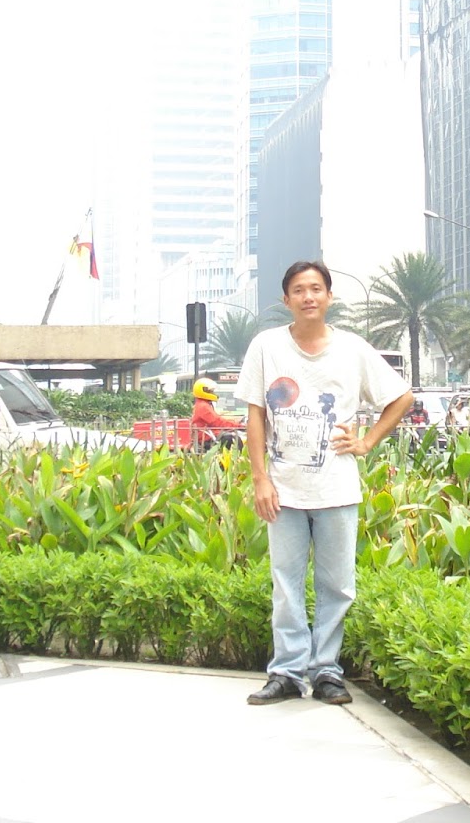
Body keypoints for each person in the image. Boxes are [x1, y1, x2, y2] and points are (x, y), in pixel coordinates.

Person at [236, 259, 413, 706]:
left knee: (337, 586)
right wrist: (260, 479)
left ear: (329, 297)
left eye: (316, 288)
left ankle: (327, 672)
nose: (308, 297)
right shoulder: (266, 346)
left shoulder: (353, 349)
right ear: (286, 299)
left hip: (336, 488)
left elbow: (401, 397)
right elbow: (255, 414)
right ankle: (287, 672)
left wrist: (367, 441)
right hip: (284, 490)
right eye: (299, 290)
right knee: (286, 584)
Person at [189, 377, 229, 446]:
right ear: (204, 391)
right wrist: (239, 426)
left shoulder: (202, 404)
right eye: (211, 391)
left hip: (206, 435)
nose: (213, 393)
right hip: (205, 437)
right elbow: (217, 422)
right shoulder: (203, 406)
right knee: (230, 438)